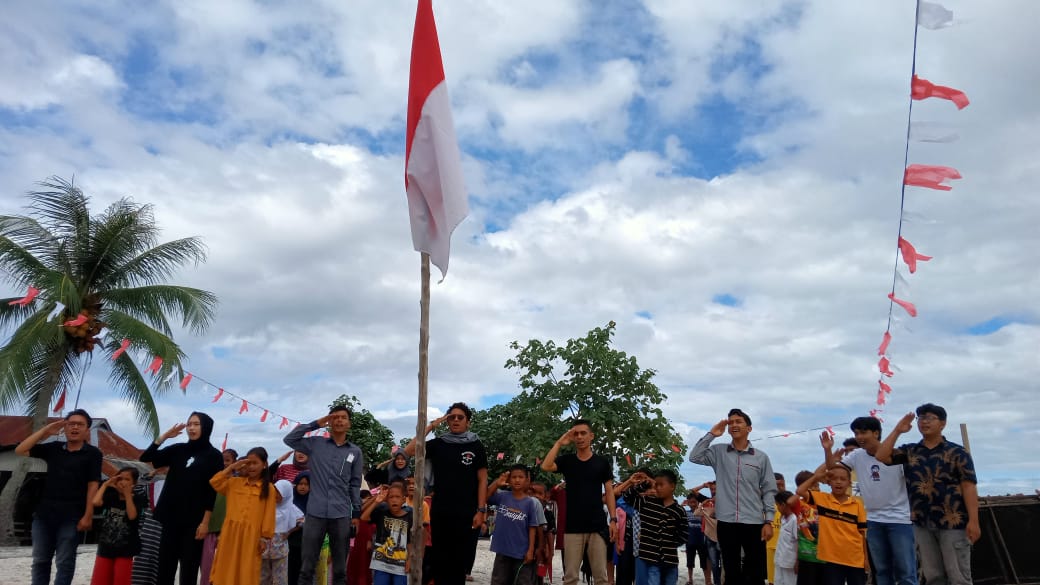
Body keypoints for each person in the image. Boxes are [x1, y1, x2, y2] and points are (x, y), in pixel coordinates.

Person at [875, 405, 979, 585]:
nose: (923, 421)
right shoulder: (910, 451)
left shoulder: (957, 452)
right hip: (922, 522)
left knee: (959, 576)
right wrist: (898, 430)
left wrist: (974, 521)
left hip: (953, 522)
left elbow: (969, 486)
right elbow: (881, 456)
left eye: (929, 418)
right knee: (933, 577)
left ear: (943, 423)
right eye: (920, 418)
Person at [403, 402, 488, 585]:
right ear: (447, 421)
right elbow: (409, 451)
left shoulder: (476, 446)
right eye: (451, 417)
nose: (456, 420)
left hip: (466, 512)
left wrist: (481, 510)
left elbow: (482, 480)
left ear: (468, 422)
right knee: (440, 560)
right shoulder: (439, 444)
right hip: (441, 510)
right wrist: (432, 426)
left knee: (459, 562)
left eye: (460, 417)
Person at [689, 409, 777, 585]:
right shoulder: (719, 452)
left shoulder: (760, 457)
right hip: (727, 521)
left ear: (749, 428)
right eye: (731, 422)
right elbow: (695, 457)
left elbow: (769, 489)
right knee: (731, 570)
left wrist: (768, 521)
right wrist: (711, 434)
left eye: (739, 421)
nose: (734, 425)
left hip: (754, 521)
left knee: (755, 571)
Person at [16, 409, 103, 585]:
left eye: (80, 424)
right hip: (44, 514)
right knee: (40, 560)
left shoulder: (93, 454)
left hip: (72, 515)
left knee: (64, 561)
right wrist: (45, 431)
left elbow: (93, 484)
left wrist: (88, 514)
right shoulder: (53, 449)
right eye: (71, 423)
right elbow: (20, 449)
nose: (75, 427)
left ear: (87, 429)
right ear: (65, 426)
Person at [827, 418, 916, 585]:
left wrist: (897, 430)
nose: (859, 436)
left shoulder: (897, 455)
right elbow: (834, 470)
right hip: (873, 520)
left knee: (905, 572)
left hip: (899, 520)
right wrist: (828, 450)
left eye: (864, 432)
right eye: (856, 433)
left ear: (876, 433)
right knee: (881, 571)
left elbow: (913, 483)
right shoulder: (856, 455)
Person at [283, 405, 364, 585]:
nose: (339, 420)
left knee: (340, 570)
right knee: (306, 568)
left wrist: (356, 513)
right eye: (335, 417)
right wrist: (317, 423)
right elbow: (289, 439)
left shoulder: (355, 452)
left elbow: (355, 484)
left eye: (343, 417)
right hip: (315, 514)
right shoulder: (316, 444)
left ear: (349, 423)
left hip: (341, 514)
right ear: (329, 422)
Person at [140, 412, 224, 585]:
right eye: (189, 424)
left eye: (196, 424)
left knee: (189, 568)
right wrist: (163, 437)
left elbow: (212, 491)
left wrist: (205, 522)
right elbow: (146, 457)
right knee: (165, 566)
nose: (191, 428)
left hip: (194, 521)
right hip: (170, 517)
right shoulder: (178, 449)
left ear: (206, 427)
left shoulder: (214, 456)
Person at [541, 419, 618, 585]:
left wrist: (613, 519)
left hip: (597, 526)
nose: (579, 437)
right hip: (573, 527)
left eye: (583, 433)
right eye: (576, 433)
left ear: (591, 436)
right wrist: (559, 443)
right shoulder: (567, 461)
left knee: (601, 578)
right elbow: (546, 466)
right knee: (570, 577)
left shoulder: (602, 462)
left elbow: (609, 491)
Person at [208, 447, 277, 585]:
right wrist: (232, 467)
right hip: (230, 534)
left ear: (264, 464)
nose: (251, 467)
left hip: (252, 537)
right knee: (225, 566)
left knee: (247, 569)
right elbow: (214, 482)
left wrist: (264, 537)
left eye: (255, 463)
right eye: (248, 463)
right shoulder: (234, 483)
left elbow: (269, 514)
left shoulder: (268, 488)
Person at [796, 463, 867, 585]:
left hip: (855, 559)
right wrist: (817, 477)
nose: (838, 482)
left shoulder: (857, 505)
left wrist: (866, 559)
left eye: (843, 479)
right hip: (831, 560)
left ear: (849, 483)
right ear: (829, 482)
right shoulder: (822, 499)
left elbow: (862, 534)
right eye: (834, 479)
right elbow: (800, 490)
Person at [623, 470, 687, 585]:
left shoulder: (679, 511)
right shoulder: (647, 503)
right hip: (651, 559)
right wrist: (644, 483)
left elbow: (683, 535)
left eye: (661, 484)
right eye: (656, 484)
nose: (657, 487)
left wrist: (669, 543)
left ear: (672, 486)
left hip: (670, 560)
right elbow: (627, 497)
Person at [90, 466, 147, 585]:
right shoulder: (111, 495)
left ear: (134, 483)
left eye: (127, 479)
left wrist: (127, 496)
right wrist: (106, 485)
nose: (123, 482)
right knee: (100, 580)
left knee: (121, 580)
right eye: (120, 478)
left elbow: (132, 516)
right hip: (105, 546)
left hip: (126, 549)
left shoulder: (138, 498)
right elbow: (95, 502)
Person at [486, 465, 542, 585]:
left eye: (520, 477)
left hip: (521, 553)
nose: (517, 480)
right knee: (498, 581)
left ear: (527, 480)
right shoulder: (502, 496)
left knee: (522, 581)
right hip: (502, 550)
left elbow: (532, 527)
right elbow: (485, 496)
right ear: (508, 480)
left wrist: (531, 550)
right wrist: (497, 483)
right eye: (514, 477)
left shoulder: (529, 503)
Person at [362, 482, 414, 585]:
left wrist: (409, 559)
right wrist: (376, 502)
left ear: (403, 499)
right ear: (386, 500)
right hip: (381, 564)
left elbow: (409, 541)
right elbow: (364, 517)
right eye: (391, 497)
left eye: (397, 497)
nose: (394, 500)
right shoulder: (382, 513)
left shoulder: (409, 516)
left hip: (400, 566)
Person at [261, 480, 304, 585]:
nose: (275, 495)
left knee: (280, 579)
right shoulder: (266, 507)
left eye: (278, 492)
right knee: (263, 578)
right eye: (274, 491)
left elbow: (302, 521)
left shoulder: (291, 508)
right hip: (263, 550)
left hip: (280, 551)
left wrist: (289, 531)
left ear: (286, 494)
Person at [347, 488, 377, 585]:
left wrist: (369, 539)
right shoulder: (357, 509)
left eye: (367, 499)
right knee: (353, 564)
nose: (365, 500)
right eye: (363, 498)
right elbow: (361, 508)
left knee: (363, 565)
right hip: (356, 542)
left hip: (365, 543)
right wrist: (375, 498)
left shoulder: (374, 511)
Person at [683, 491, 711, 585]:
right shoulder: (686, 513)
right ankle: (690, 579)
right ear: (688, 503)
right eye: (690, 502)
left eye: (694, 502)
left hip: (701, 541)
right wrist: (682, 504)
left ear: (698, 502)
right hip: (689, 541)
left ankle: (708, 580)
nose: (692, 504)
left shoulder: (702, 513)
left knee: (704, 562)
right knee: (689, 562)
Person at [287, 472, 310, 585]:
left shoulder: (313, 502)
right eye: (300, 484)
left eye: (306, 484)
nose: (303, 487)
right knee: (290, 573)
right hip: (289, 542)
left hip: (307, 544)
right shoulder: (288, 502)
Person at [772, 492, 798, 585]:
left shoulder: (795, 519)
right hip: (779, 560)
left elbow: (799, 542)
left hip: (790, 564)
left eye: (777, 505)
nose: (777, 508)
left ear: (782, 505)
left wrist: (797, 562)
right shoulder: (783, 518)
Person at [766, 474, 786, 585]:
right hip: (771, 545)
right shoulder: (766, 503)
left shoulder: (790, 502)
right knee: (772, 579)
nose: (779, 487)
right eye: (776, 485)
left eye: (781, 484)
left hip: (787, 547)